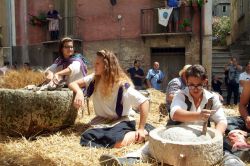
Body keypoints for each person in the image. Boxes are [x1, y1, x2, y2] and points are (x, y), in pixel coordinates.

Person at [99, 65, 245, 166]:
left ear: (205, 82)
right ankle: (126, 161)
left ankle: (233, 163)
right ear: (187, 82)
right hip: (177, 132)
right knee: (152, 147)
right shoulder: (181, 95)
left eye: (198, 85)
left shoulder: (212, 98)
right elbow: (175, 114)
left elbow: (221, 120)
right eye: (191, 84)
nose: (194, 88)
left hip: (202, 137)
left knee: (222, 150)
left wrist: (215, 138)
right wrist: (198, 115)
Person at [68, 49, 153, 148]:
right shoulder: (94, 78)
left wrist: (141, 128)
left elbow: (144, 102)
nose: (94, 66)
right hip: (102, 121)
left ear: (106, 66)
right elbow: (72, 83)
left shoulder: (122, 85)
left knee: (116, 142)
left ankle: (146, 131)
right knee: (87, 138)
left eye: (97, 63)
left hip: (121, 121)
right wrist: (79, 92)